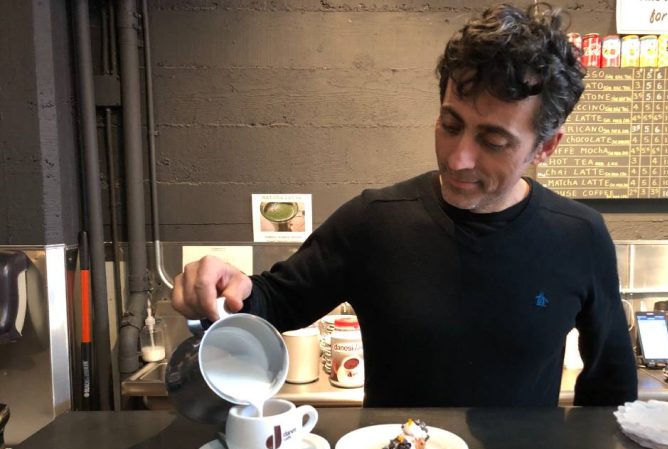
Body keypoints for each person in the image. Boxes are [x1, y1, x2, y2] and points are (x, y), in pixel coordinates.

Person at [172, 2, 638, 407]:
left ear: (546, 147)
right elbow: (275, 302)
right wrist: (223, 287)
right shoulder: (375, 222)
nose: (459, 159)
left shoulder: (579, 236)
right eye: (450, 125)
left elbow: (612, 387)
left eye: (494, 141)